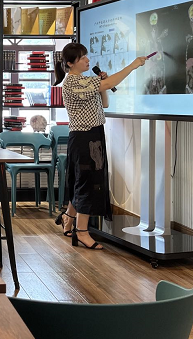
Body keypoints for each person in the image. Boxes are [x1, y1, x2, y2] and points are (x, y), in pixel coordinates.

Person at [52, 43, 146, 250]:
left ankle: (69, 217)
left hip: (94, 135)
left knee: (82, 181)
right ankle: (82, 231)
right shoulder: (72, 83)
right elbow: (106, 86)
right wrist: (132, 65)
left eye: (86, 56)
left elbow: (105, 104)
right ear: (70, 63)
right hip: (84, 138)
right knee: (88, 183)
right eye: (82, 58)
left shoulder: (86, 80)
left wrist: (102, 83)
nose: (87, 60)